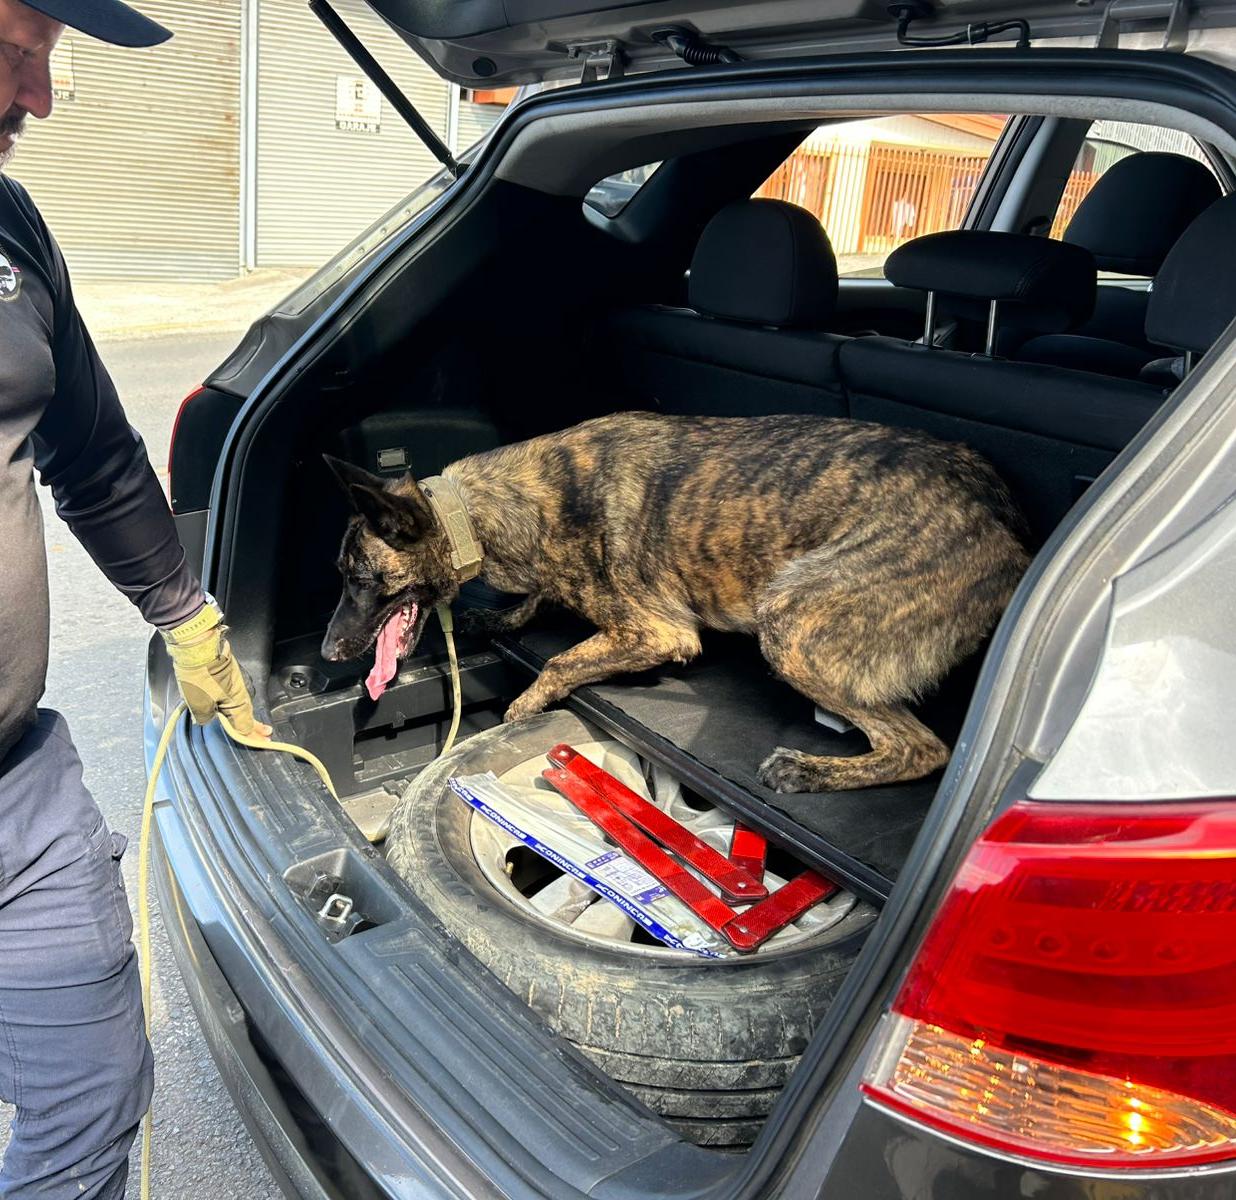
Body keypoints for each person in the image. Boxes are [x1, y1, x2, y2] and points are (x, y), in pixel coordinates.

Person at [0, 1, 269, 1195]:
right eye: (15, 51)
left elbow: (97, 452)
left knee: (94, 1092)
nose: (40, 99)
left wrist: (187, 613)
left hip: (17, 787)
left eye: (49, 63)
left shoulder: (9, 228)